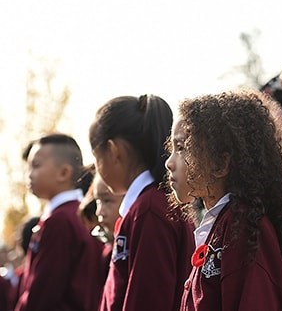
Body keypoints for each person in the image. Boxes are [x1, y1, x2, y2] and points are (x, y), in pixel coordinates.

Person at [165, 89, 282, 311]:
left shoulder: (243, 227)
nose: (169, 162)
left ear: (220, 164)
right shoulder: (224, 223)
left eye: (182, 148)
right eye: (172, 148)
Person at [89, 94, 194, 311]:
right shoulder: (148, 205)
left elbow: (149, 300)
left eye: (95, 155)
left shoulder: (149, 209)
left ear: (113, 150)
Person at [15, 134, 103, 311]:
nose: (29, 174)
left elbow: (43, 291)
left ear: (64, 172)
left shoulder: (59, 221)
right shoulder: (81, 214)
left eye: (36, 166)